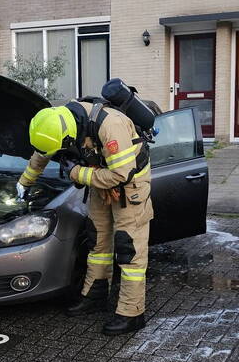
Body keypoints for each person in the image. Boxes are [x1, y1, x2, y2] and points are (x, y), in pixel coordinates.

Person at [18, 80, 152, 336]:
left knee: (128, 247)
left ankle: (132, 312)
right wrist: (25, 182)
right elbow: (42, 153)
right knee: (97, 240)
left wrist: (76, 173)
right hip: (100, 177)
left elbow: (121, 174)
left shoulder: (110, 125)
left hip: (130, 183)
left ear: (70, 137)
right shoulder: (57, 122)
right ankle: (95, 295)